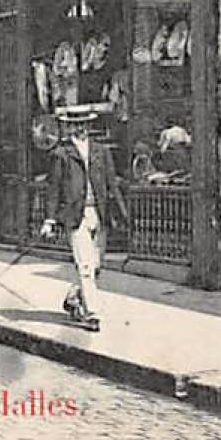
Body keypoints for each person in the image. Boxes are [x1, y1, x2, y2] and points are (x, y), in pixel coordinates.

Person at [40, 105, 129, 332]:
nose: (79, 129)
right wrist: (49, 219)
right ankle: (92, 314)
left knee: (96, 266)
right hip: (75, 215)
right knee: (86, 266)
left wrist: (122, 213)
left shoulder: (101, 151)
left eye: (83, 124)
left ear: (89, 126)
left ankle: (73, 298)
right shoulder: (61, 154)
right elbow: (53, 189)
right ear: (69, 127)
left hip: (98, 213)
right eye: (74, 125)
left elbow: (111, 184)